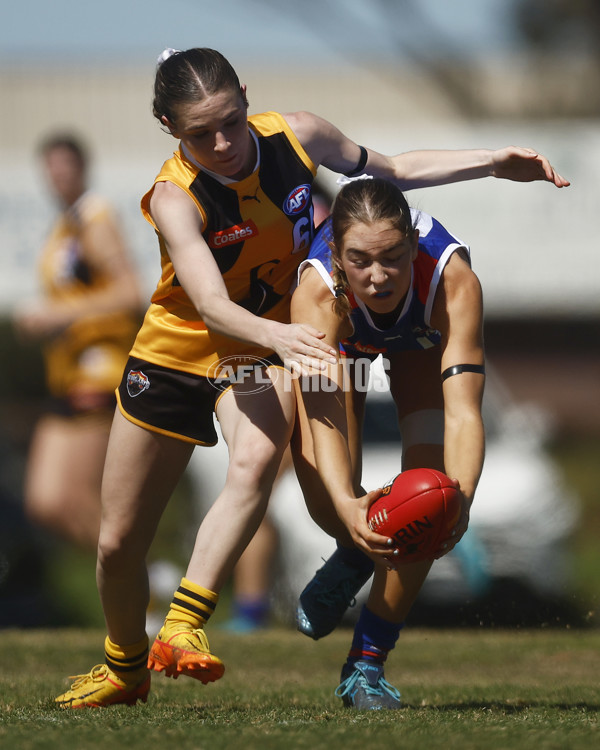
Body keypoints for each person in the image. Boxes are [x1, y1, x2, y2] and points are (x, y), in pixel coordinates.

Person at [53, 46, 568, 709]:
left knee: (259, 461)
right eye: (199, 134)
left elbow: (393, 169)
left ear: (246, 96)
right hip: (182, 351)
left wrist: (493, 162)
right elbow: (209, 304)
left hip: (263, 345)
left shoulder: (298, 136)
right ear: (167, 127)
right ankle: (125, 667)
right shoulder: (174, 196)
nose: (223, 143)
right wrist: (285, 337)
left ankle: (185, 623)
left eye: (231, 122)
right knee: (118, 542)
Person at [290, 176, 488, 709]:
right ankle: (355, 554)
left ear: (410, 244)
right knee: (322, 493)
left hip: (419, 347)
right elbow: (322, 410)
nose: (378, 278)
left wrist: (459, 503)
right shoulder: (317, 290)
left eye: (394, 258)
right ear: (337, 253)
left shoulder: (452, 281)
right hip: (344, 353)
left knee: (430, 496)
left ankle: (366, 665)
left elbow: (464, 412)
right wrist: (347, 507)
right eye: (360, 261)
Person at [13, 133, 142, 551]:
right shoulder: (66, 226)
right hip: (65, 378)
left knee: (76, 497)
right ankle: (139, 576)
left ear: (82, 168)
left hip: (98, 373)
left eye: (65, 165)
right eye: (50, 167)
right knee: (45, 501)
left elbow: (129, 293)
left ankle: (142, 582)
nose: (57, 175)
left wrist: (57, 313)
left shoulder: (95, 219)